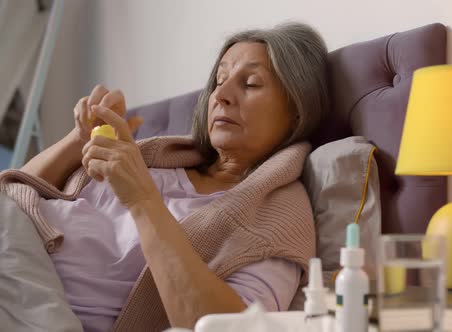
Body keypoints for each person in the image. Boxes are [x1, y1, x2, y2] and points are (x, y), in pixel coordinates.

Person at [0, 22, 329, 331]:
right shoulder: (158, 157)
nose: (220, 95)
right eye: (219, 81)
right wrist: (79, 138)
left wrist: (143, 201)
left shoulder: (278, 217)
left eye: (251, 84)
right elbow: (15, 194)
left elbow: (230, 326)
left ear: (297, 109)